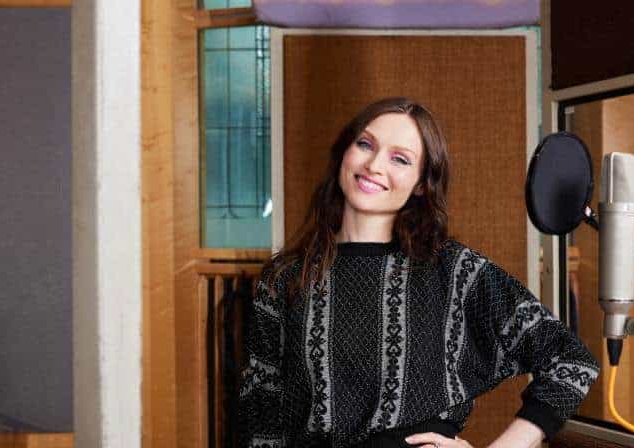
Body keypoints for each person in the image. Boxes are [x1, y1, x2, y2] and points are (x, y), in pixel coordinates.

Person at [239, 97, 600, 448]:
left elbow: (570, 360)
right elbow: (260, 409)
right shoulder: (284, 278)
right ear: (344, 152)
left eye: (400, 159)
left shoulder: (454, 271)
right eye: (365, 144)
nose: (374, 165)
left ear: (421, 183)